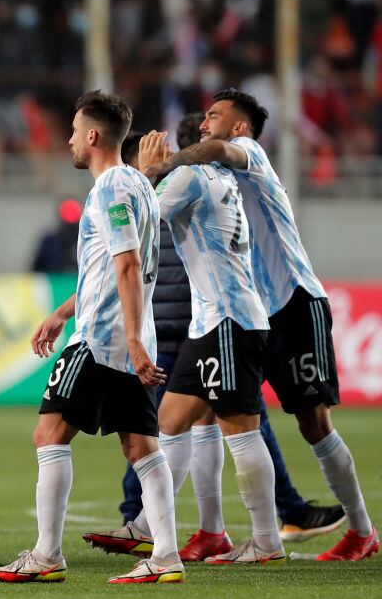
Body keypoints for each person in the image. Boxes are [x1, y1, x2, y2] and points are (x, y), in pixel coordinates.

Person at [143, 89, 377, 561]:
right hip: (251, 311)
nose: (204, 123)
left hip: (293, 302)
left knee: (314, 424)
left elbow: (213, 149)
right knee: (214, 409)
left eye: (215, 116)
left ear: (240, 127)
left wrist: (164, 165)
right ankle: (217, 530)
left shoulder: (248, 153)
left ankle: (361, 529)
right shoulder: (210, 179)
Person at [100, 117, 344, 562]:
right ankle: (149, 525)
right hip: (213, 322)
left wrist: (146, 174)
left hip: (227, 321)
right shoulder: (215, 176)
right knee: (171, 421)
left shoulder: (189, 179)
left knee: (241, 430)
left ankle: (266, 541)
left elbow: (136, 227)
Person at [0, 90, 182, 585]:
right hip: (127, 336)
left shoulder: (111, 188)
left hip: (101, 340)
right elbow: (106, 268)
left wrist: (131, 340)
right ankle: (166, 557)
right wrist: (59, 312)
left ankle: (47, 554)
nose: (69, 139)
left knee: (49, 434)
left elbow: (128, 265)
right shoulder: (138, 185)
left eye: (74, 131)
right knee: (141, 447)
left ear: (93, 136)